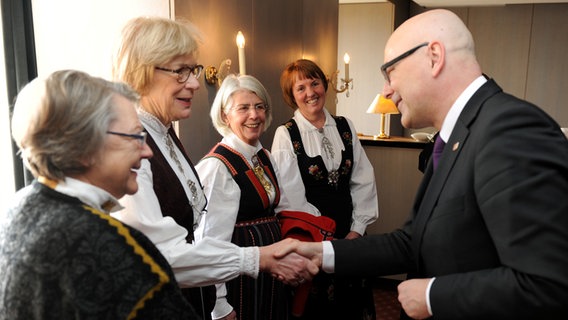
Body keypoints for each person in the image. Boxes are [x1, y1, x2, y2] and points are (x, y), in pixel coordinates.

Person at [278, 9, 568, 319]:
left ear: (433, 56)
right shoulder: (455, 136)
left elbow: (548, 284)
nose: (386, 90)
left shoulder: (510, 130)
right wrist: (320, 252)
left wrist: (432, 295)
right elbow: (412, 240)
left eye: (390, 72)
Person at [110, 16, 316, 320]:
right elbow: (157, 252)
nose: (194, 83)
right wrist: (254, 260)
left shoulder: (165, 134)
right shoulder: (131, 144)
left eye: (192, 71)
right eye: (181, 71)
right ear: (142, 72)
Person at [1, 69, 201, 319]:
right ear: (84, 146)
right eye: (135, 136)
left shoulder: (20, 207)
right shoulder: (112, 247)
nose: (147, 151)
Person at [271, 59, 379, 319]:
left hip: (351, 235)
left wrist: (357, 230)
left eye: (315, 83)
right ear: (291, 96)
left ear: (324, 85)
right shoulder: (286, 134)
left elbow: (364, 180)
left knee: (352, 305)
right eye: (301, 88)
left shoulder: (345, 126)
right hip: (313, 241)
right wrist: (325, 240)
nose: (310, 93)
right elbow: (290, 197)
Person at [196, 74, 299, 319]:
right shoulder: (218, 167)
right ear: (225, 116)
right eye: (243, 108)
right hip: (238, 284)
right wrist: (219, 305)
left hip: (267, 278)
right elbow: (209, 243)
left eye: (259, 107)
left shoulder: (264, 155)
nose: (254, 115)